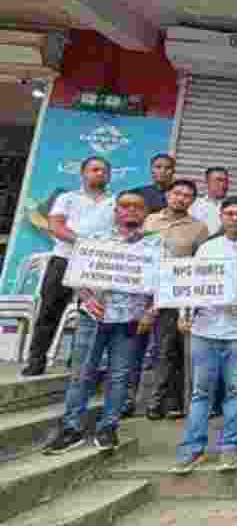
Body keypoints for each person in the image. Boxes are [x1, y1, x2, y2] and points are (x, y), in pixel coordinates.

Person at [41, 190, 157, 455]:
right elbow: (76, 275)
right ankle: (71, 429)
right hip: (93, 315)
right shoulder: (93, 240)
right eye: (124, 206)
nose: (130, 210)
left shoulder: (155, 245)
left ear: (145, 213)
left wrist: (151, 312)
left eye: (137, 207)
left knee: (119, 377)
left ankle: (108, 428)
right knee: (82, 373)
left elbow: (161, 283)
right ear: (116, 211)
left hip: (130, 318)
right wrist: (86, 298)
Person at [169, 196, 237, 474]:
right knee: (201, 393)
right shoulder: (207, 248)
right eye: (230, 213)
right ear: (222, 217)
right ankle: (192, 450)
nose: (235, 218)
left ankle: (229, 449)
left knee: (236, 392)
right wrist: (183, 315)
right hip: (205, 328)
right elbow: (191, 284)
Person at [22, 157, 115, 376]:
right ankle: (36, 361)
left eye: (104, 170)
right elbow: (56, 226)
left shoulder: (115, 201)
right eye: (94, 170)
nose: (100, 173)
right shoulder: (67, 198)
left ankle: (78, 362)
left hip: (96, 265)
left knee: (92, 313)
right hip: (64, 259)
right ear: (83, 173)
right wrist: (83, 243)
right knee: (49, 311)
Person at [143, 179, 210, 421]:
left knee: (167, 350)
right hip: (144, 291)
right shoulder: (149, 220)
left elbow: (202, 265)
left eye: (187, 195)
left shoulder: (199, 228)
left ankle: (161, 401)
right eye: (177, 193)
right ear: (168, 195)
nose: (181, 198)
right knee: (142, 349)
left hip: (174, 295)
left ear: (192, 200)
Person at [189, 167, 230, 235]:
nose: (223, 185)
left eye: (226, 181)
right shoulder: (194, 205)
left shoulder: (234, 207)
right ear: (207, 182)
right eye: (218, 180)